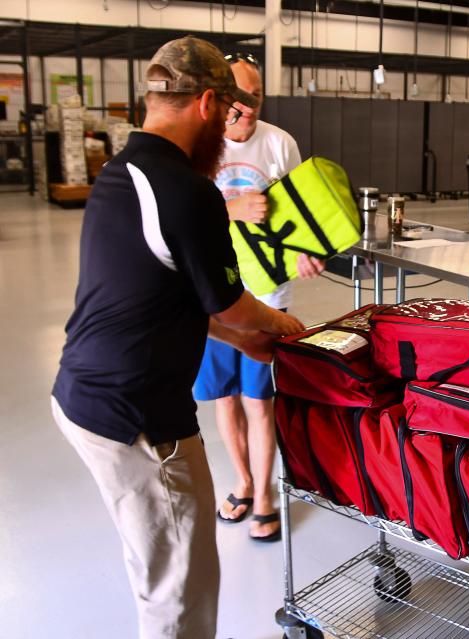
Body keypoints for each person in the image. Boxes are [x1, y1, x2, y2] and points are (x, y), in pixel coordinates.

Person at [51, 37, 305, 639]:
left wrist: (239, 343)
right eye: (227, 112)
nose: (231, 125)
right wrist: (277, 326)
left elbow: (165, 294)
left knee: (158, 562)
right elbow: (234, 304)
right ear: (208, 103)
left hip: (84, 393)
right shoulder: (188, 191)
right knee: (180, 587)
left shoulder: (123, 169)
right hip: (137, 417)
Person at [194, 52, 324, 543]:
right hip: (213, 291)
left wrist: (306, 252)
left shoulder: (279, 144)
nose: (248, 108)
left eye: (256, 97)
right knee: (224, 399)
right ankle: (243, 482)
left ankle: (266, 493)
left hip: (267, 292)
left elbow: (299, 213)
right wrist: (232, 207)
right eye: (239, 98)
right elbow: (185, 216)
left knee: (259, 400)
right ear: (220, 98)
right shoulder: (200, 145)